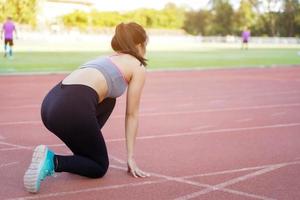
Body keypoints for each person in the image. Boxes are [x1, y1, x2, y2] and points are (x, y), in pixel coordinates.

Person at [23, 22, 150, 193]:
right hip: (72, 107)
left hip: (50, 105)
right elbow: (132, 114)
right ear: (139, 44)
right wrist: (130, 157)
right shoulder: (137, 66)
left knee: (109, 100)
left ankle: (84, 153)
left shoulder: (106, 58)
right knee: (99, 166)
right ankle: (52, 161)